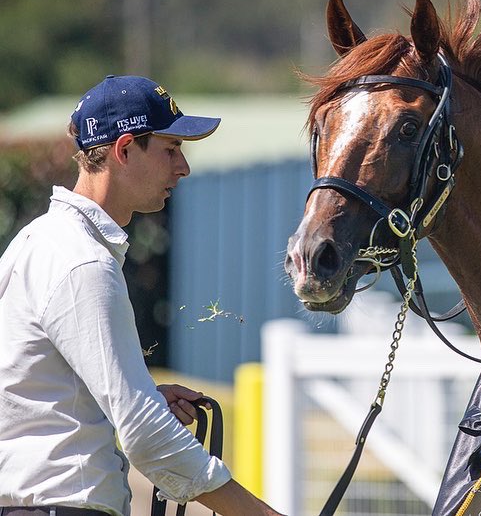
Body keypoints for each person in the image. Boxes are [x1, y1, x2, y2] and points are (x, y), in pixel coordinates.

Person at [0, 76, 283, 516]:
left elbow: (31, 388)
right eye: (171, 149)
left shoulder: (34, 242)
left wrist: (139, 392)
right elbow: (146, 434)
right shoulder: (84, 263)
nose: (183, 167)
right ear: (125, 150)